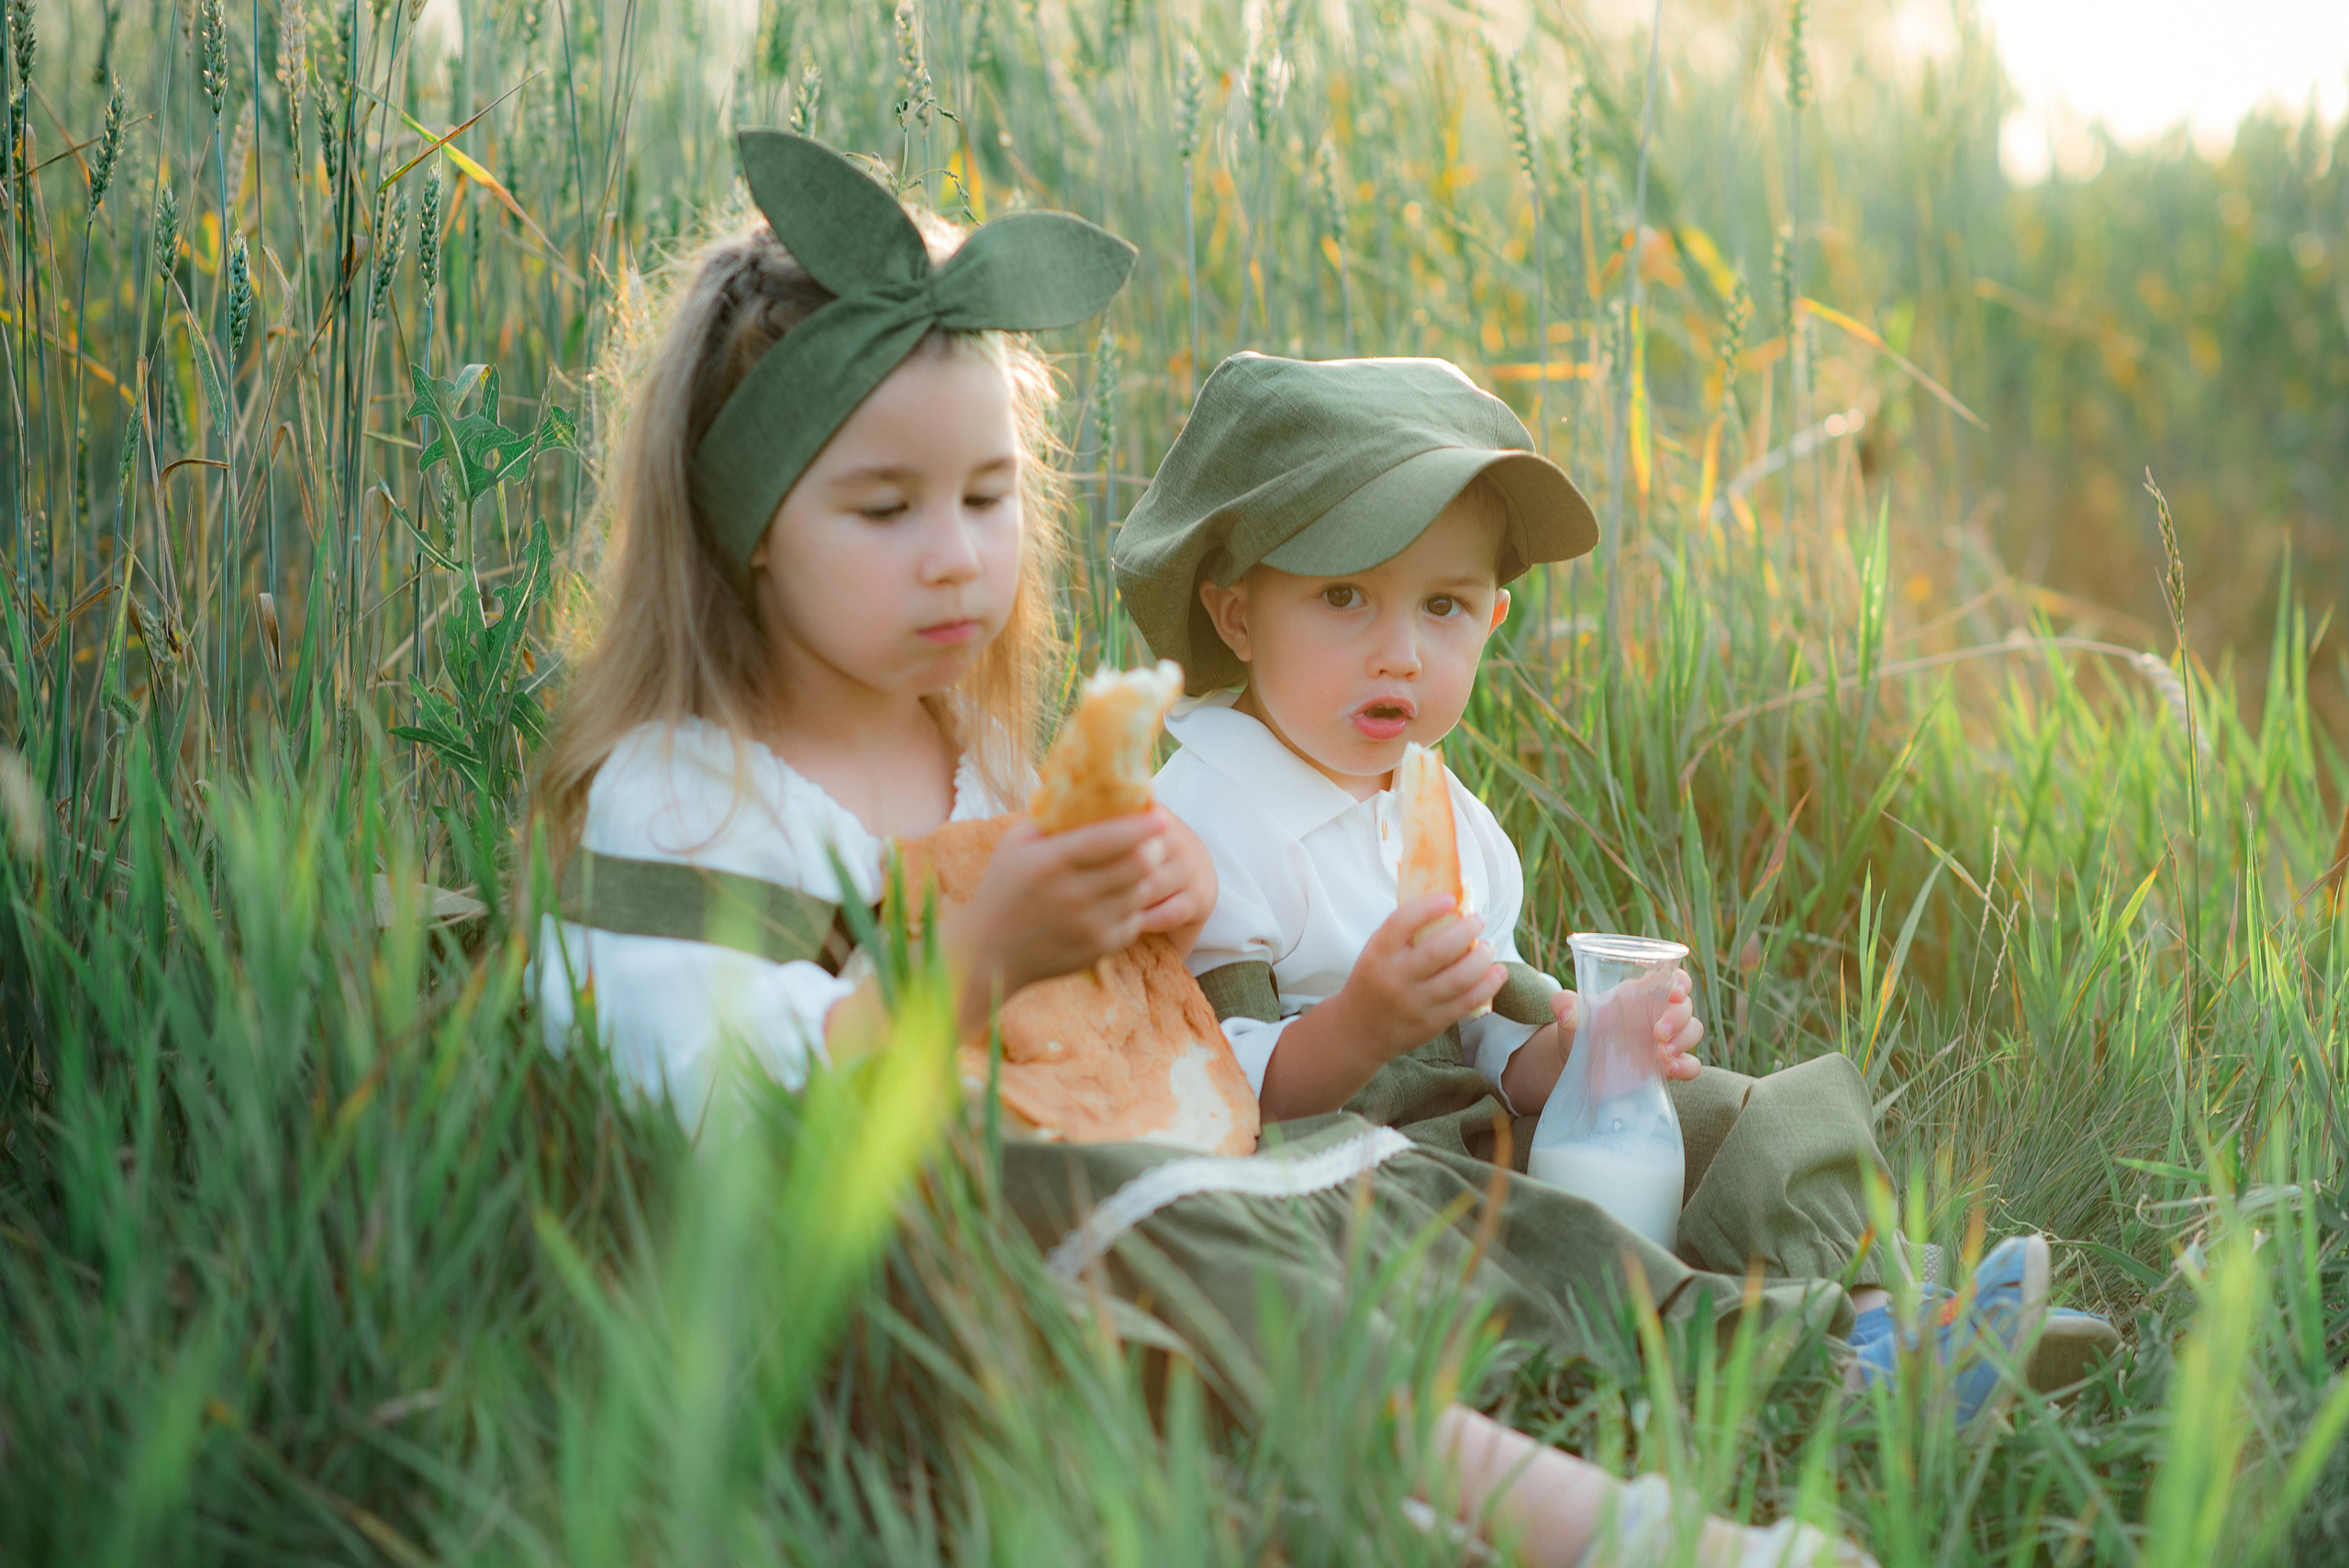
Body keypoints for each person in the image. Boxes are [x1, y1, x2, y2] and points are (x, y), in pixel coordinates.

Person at [530, 132, 1860, 1568]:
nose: (955, 554)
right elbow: (717, 1114)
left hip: (1065, 1225)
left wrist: (1141, 923)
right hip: (843, 1285)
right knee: (1142, 1208)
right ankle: (1615, 1529)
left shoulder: (980, 760)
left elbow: (1090, 1042)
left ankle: (1759, 1356)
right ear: (745, 528)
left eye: (987, 497)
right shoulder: (689, 797)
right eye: (885, 506)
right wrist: (982, 957)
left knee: (1337, 1189)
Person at [1112, 350, 2121, 1418]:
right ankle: (1820, 1363)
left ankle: (1880, 1294)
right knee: (1524, 1232)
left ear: (1493, 618)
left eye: (1443, 604)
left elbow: (1494, 1049)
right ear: (1236, 615)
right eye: (1344, 595)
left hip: (1469, 1125)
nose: (1399, 651)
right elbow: (1221, 1095)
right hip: (1337, 1166)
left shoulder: (1445, 815)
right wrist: (1364, 1022)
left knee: (1709, 1107)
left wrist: (1581, 1053)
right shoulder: (1201, 820)